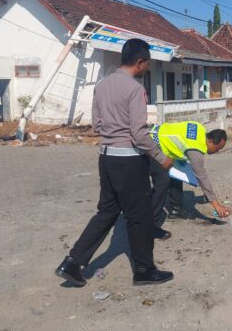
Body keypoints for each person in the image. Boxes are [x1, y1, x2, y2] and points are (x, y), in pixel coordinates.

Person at [55, 39, 174, 287]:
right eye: (147, 64)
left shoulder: (101, 85)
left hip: (106, 158)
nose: (146, 68)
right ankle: (143, 269)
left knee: (107, 211)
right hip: (129, 161)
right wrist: (161, 158)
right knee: (140, 216)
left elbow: (97, 124)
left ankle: (73, 262)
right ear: (140, 62)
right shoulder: (135, 89)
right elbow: (139, 134)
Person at [148, 121, 230, 233]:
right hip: (153, 143)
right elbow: (202, 177)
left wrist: (173, 156)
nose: (216, 152)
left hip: (157, 133)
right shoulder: (196, 149)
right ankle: (151, 222)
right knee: (162, 182)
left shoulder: (200, 128)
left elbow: (180, 136)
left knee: (176, 174)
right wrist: (216, 205)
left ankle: (176, 210)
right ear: (210, 141)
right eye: (217, 148)